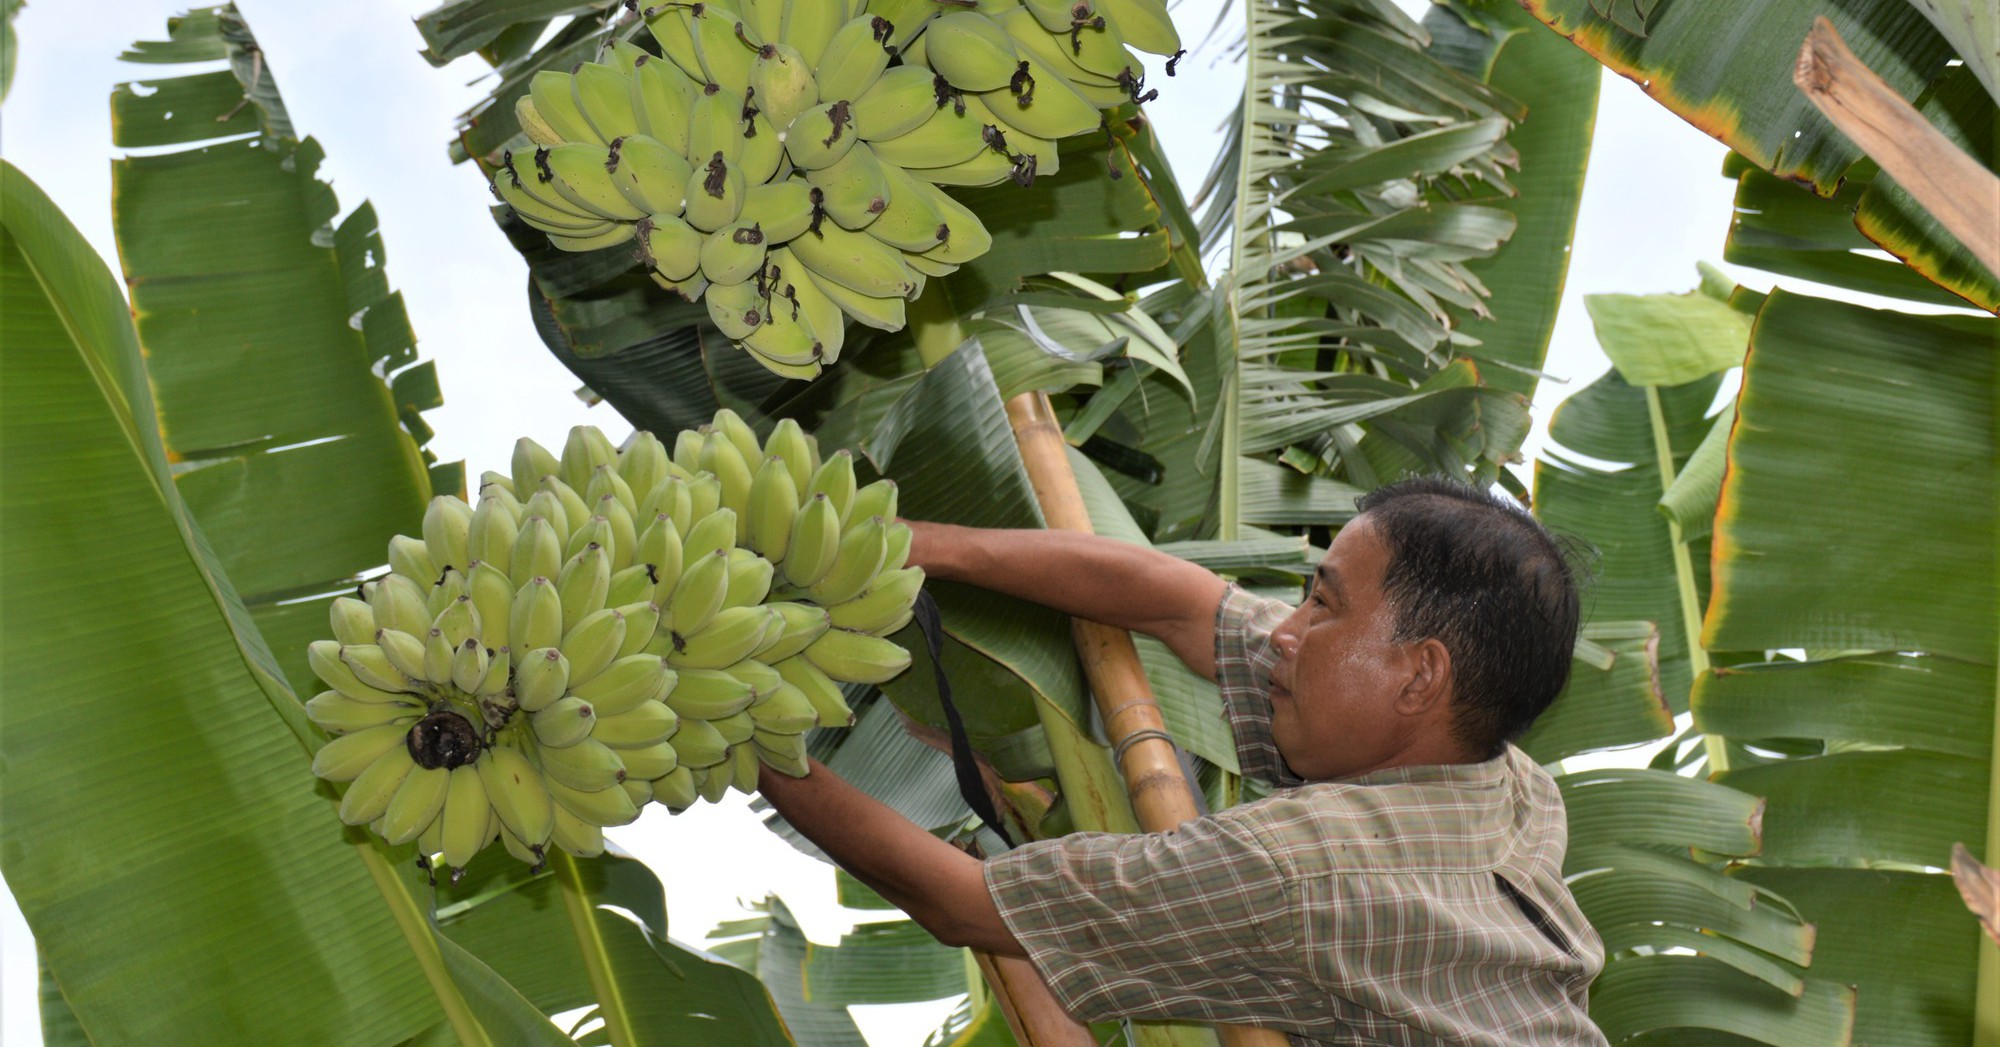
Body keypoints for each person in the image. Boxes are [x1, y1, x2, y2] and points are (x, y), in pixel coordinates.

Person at [757, 476, 1609, 1045]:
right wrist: (912, 545)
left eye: (1324, 603)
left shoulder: (1303, 865)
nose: (1286, 628)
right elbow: (1180, 605)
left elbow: (967, 904)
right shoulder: (1507, 780)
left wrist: (744, 723)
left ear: (1421, 673)